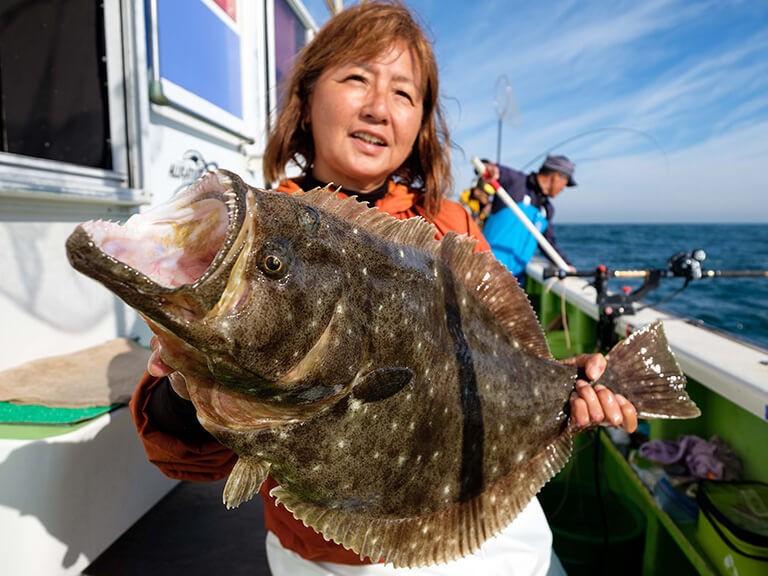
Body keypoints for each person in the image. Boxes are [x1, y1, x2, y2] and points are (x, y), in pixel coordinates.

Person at [130, 3, 637, 575]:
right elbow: (180, 456)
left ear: (421, 122)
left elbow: (494, 368)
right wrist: (189, 387)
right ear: (308, 96)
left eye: (403, 94)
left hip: (485, 521)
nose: (377, 108)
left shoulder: (453, 227)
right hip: (332, 556)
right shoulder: (251, 236)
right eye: (355, 79)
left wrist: (564, 384)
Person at [481, 155, 577, 285]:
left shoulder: (547, 209)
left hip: (514, 281)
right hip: (485, 270)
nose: (563, 189)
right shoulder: (516, 182)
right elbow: (486, 167)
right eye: (565, 183)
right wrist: (488, 168)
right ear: (556, 176)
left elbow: (548, 243)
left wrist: (566, 265)